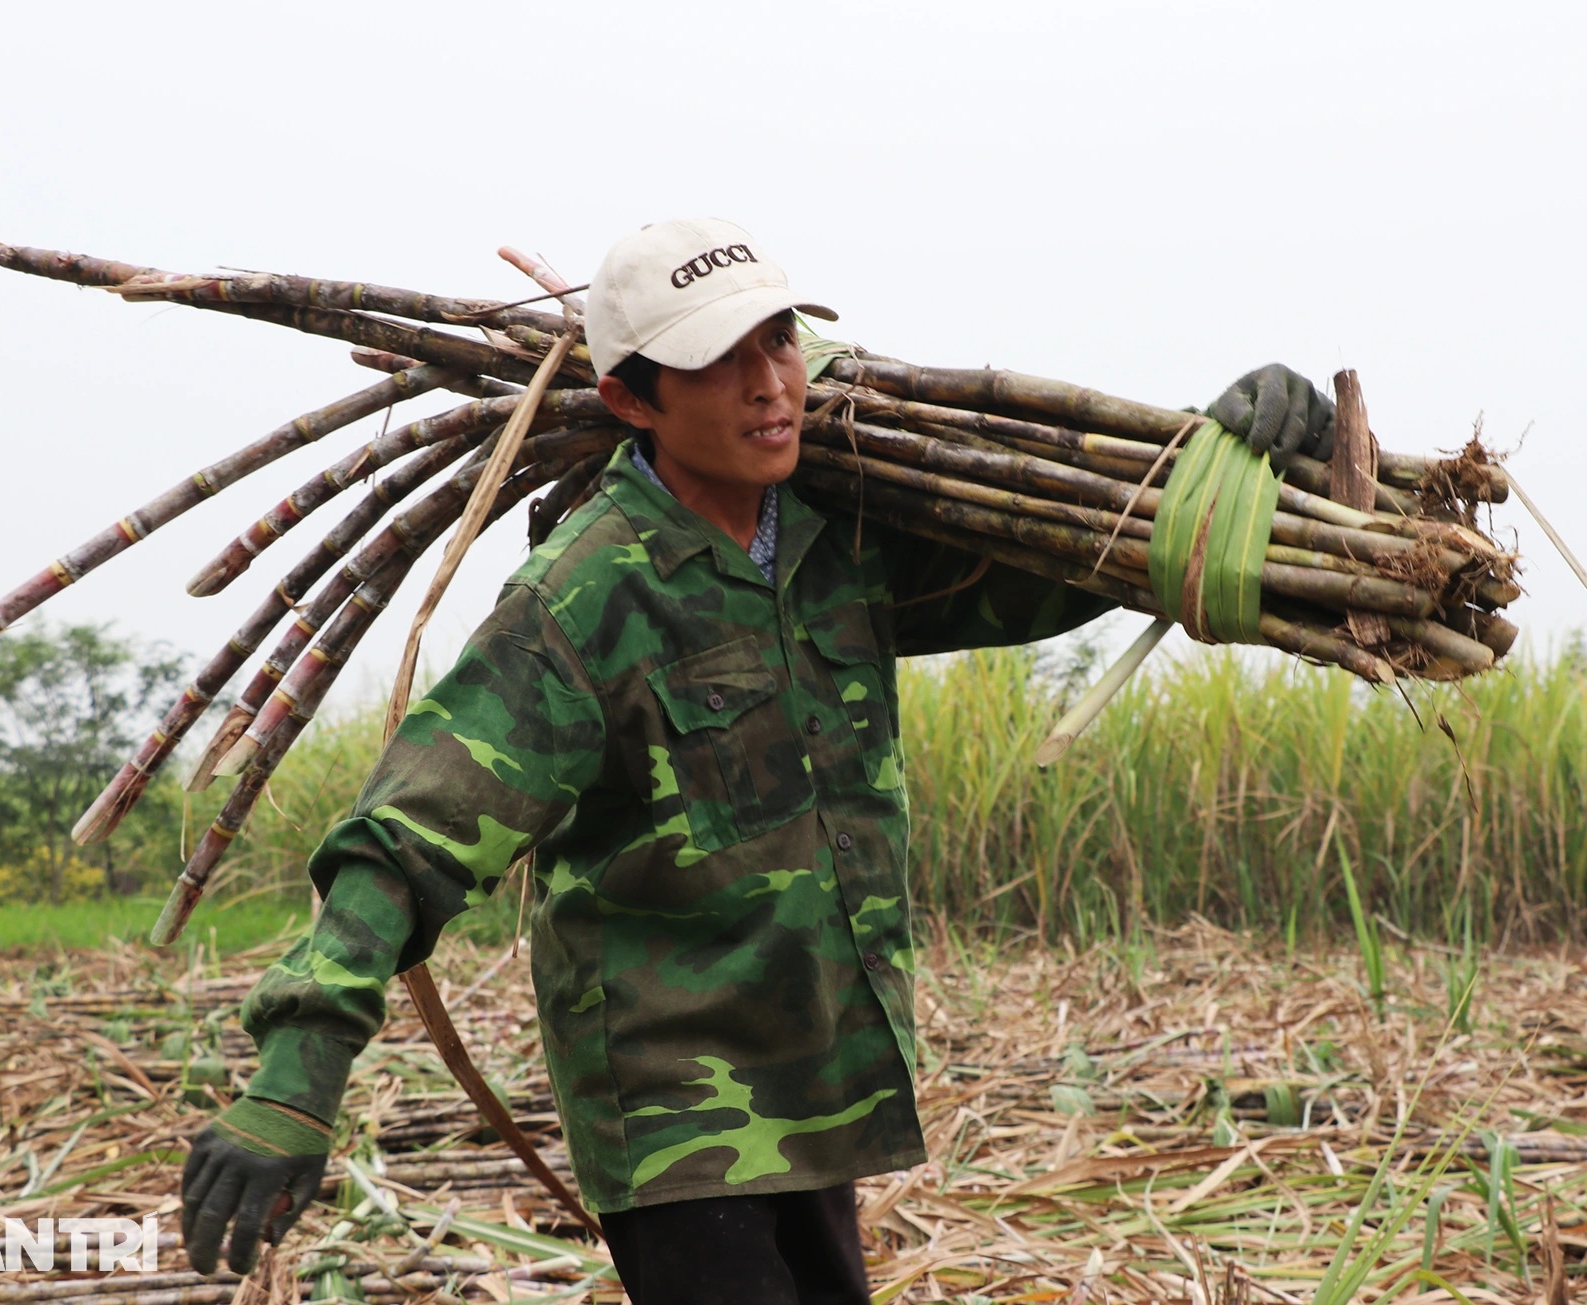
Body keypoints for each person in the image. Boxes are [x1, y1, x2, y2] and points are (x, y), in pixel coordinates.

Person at [178, 218, 1334, 1303]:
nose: (768, 382)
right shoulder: (589, 594)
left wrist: (1226, 464)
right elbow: (405, 838)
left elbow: (1060, 569)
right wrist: (297, 1073)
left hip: (819, 1073)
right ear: (629, 397)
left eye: (777, 339)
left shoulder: (841, 544)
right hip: (676, 1098)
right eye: (720, 360)